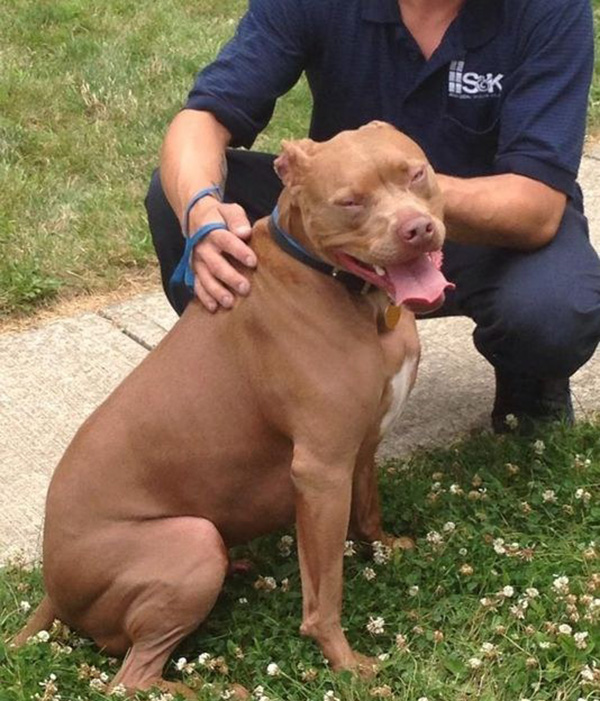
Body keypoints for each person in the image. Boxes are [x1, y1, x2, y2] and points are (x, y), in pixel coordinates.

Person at [146, 0, 600, 432]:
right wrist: (201, 210)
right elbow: (203, 119)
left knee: (554, 309)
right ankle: (253, 376)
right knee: (178, 199)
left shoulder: (549, 8)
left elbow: (535, 207)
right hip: (347, 232)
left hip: (484, 230)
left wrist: (404, 203)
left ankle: (531, 387)